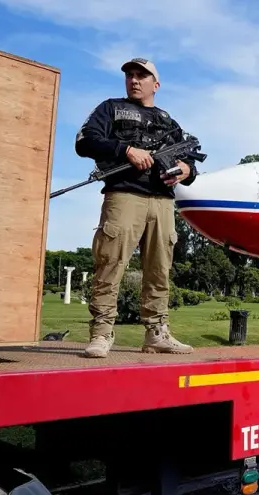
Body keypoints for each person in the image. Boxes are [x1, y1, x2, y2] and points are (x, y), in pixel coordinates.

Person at [77, 57, 199, 358]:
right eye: (130, 75)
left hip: (162, 201)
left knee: (159, 269)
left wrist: (186, 170)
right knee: (110, 261)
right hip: (124, 194)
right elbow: (85, 141)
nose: (134, 80)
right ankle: (102, 333)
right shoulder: (110, 108)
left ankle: (157, 333)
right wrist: (126, 150)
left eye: (142, 76)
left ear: (155, 84)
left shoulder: (169, 121)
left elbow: (190, 162)